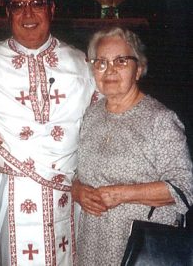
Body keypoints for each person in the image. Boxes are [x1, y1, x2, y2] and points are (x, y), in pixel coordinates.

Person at [0, 0, 97, 266]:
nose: (28, 13)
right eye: (18, 5)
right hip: (8, 195)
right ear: (7, 12)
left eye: (37, 3)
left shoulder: (80, 65)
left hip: (68, 197)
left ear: (51, 9)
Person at [72, 26, 193, 265]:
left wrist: (121, 194)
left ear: (138, 69)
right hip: (92, 245)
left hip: (139, 249)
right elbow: (81, 171)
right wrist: (77, 190)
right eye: (101, 63)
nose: (110, 71)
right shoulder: (92, 115)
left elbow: (184, 188)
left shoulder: (160, 120)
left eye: (121, 61)